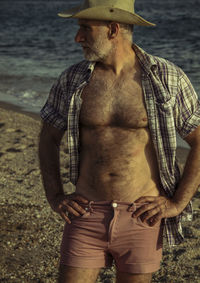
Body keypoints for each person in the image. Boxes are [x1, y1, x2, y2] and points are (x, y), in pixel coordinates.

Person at [38, 0, 200, 282]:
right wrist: (55, 196)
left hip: (142, 217)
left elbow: (199, 139)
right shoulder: (73, 79)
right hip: (85, 213)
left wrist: (176, 204)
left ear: (113, 29)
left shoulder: (167, 78)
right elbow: (48, 137)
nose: (78, 38)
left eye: (85, 28)